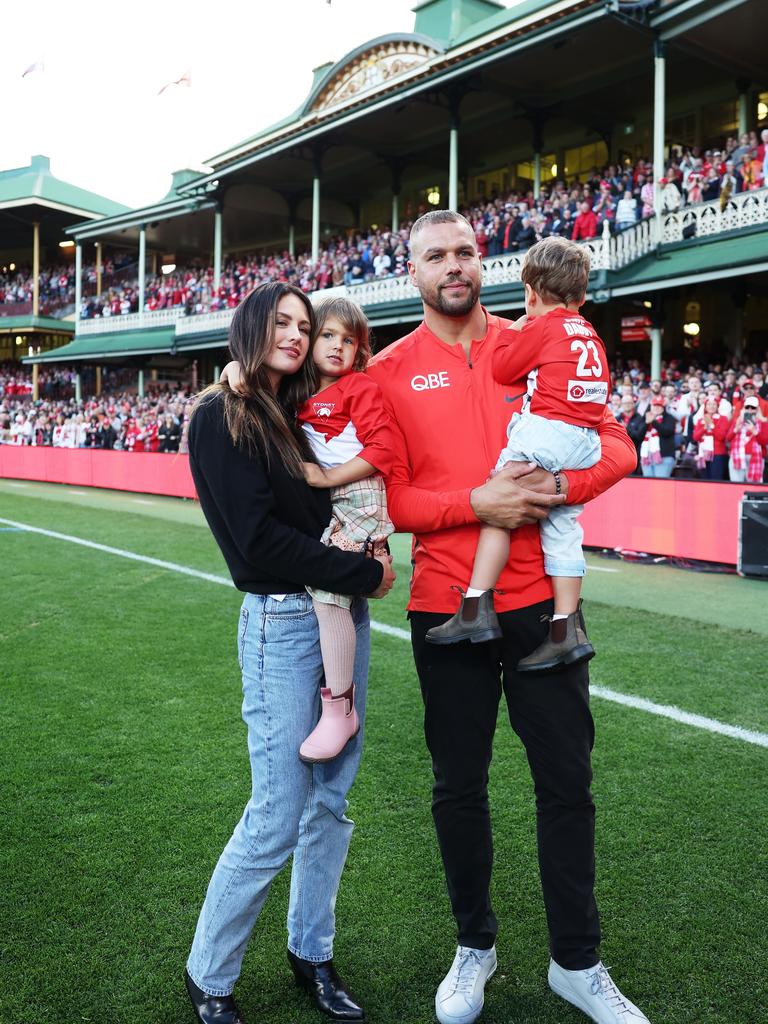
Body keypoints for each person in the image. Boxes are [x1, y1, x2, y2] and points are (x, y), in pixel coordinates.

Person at [366, 210, 648, 1024]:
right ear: (410, 269)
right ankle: (474, 948)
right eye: (435, 255)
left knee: (567, 783)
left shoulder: (547, 334)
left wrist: (565, 489)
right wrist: (474, 501)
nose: (453, 265)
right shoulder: (387, 371)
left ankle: (577, 963)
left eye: (464, 251)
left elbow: (618, 443)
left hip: (543, 608)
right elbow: (390, 499)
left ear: (483, 261)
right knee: (460, 786)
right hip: (444, 605)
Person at [184, 281, 395, 1024]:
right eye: (283, 322)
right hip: (284, 619)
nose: (299, 335)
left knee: (331, 800)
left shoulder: (291, 407)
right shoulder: (220, 415)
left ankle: (312, 951)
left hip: (342, 614)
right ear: (250, 325)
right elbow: (258, 542)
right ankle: (209, 975)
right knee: (278, 810)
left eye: (305, 325)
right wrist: (366, 571)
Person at [425, 237, 608, 672]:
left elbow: (504, 368)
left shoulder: (541, 326)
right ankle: (566, 627)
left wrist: (519, 330)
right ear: (581, 295)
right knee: (563, 526)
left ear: (530, 292)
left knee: (498, 501)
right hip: (586, 438)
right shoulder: (591, 333)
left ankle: (474, 608)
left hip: (548, 429)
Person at [291, 297, 395, 762]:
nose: (337, 346)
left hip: (359, 493)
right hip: (336, 501)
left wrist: (328, 477)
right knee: (331, 589)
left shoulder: (359, 388)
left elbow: (384, 449)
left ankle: (339, 710)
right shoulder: (299, 391)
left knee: (328, 586)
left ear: (360, 350)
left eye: (348, 340)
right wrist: (234, 369)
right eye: (328, 335)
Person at [727, 396, 768, 482]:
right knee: (736, 485)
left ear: (757, 409)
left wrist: (754, 431)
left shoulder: (763, 423)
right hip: (737, 457)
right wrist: (736, 429)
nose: (750, 410)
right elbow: (728, 438)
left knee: (753, 486)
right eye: (747, 407)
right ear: (743, 408)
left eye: (753, 408)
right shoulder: (737, 421)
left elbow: (764, 442)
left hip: (756, 457)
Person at [692, 397, 730, 479]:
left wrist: (712, 426)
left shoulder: (723, 419)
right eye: (709, 404)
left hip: (717, 454)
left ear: (717, 406)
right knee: (704, 479)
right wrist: (704, 428)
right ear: (705, 407)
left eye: (714, 404)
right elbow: (695, 437)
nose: (711, 406)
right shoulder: (701, 420)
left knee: (716, 479)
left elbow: (721, 437)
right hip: (703, 454)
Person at [639, 396, 677, 477]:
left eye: (659, 406)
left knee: (660, 485)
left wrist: (653, 422)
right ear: (651, 406)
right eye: (654, 405)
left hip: (664, 457)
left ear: (663, 407)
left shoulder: (669, 418)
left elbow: (667, 432)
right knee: (648, 485)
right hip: (646, 457)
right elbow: (638, 435)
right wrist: (646, 423)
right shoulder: (645, 418)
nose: (657, 408)